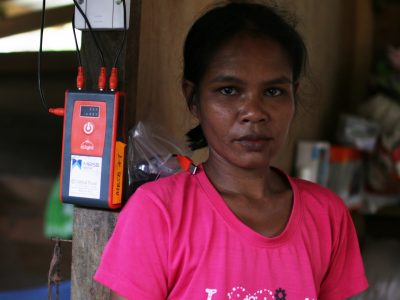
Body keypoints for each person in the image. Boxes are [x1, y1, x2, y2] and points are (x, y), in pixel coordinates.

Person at [95, 1, 369, 299]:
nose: (253, 111)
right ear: (193, 98)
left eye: (273, 91)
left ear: (294, 95)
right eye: (228, 90)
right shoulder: (158, 213)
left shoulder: (327, 215)